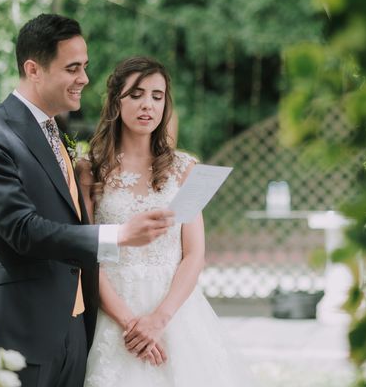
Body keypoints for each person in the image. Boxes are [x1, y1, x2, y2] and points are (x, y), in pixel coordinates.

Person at [0, 14, 174, 387]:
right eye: (73, 68)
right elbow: (22, 230)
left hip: (74, 332)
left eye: (85, 67)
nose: (85, 79)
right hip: (16, 332)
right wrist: (118, 235)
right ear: (33, 69)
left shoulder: (56, 133)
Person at [80, 57, 255, 386]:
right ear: (116, 101)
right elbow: (90, 253)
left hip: (176, 312)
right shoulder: (90, 169)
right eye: (136, 94)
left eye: (157, 96)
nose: (147, 104)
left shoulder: (185, 169)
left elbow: (194, 254)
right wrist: (133, 325)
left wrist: (158, 321)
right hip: (114, 314)